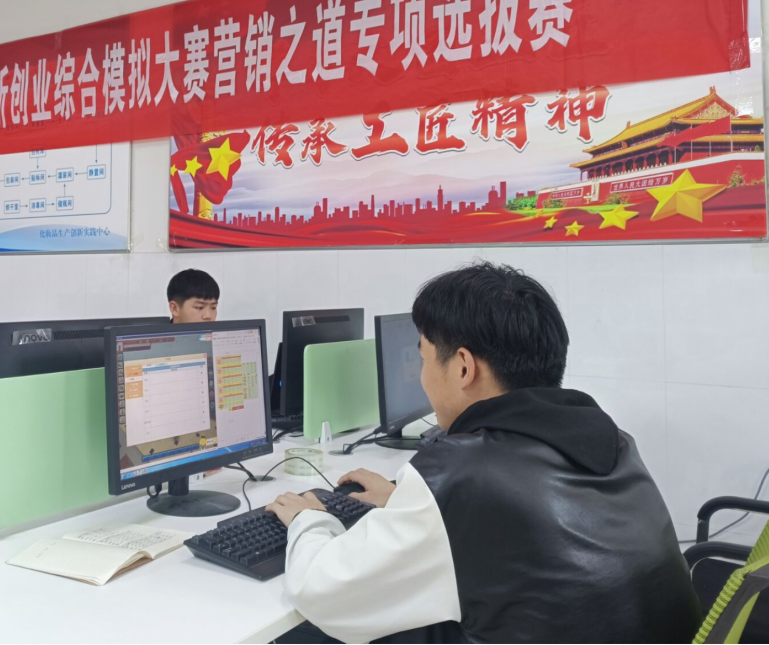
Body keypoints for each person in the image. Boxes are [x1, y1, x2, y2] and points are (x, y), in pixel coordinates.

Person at [266, 262, 700, 644]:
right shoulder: (614, 440)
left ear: (463, 366)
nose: (422, 377)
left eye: (423, 360)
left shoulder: (460, 473)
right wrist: (408, 503)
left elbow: (322, 592)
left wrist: (310, 519)